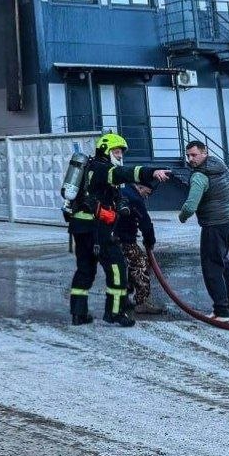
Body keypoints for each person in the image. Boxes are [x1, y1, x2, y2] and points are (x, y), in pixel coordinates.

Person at [67, 133, 172, 327]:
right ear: (105, 150)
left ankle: (78, 313)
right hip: (98, 230)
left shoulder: (89, 167)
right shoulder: (103, 169)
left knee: (84, 270)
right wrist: (152, 172)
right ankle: (115, 312)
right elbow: (126, 173)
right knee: (117, 270)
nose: (119, 155)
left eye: (121, 152)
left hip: (80, 227)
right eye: (116, 151)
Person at [177, 138, 229, 322]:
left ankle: (221, 312)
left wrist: (182, 217)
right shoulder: (220, 167)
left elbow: (190, 206)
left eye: (194, 155)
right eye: (188, 155)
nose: (190, 159)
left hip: (214, 225)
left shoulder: (199, 176)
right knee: (223, 263)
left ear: (204, 153)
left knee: (212, 267)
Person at [117, 182, 164, 315]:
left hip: (113, 236)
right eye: (147, 193)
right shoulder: (135, 198)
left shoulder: (124, 189)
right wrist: (150, 242)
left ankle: (124, 297)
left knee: (126, 266)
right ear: (140, 186)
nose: (146, 197)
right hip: (123, 238)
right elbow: (146, 223)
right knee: (140, 264)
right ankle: (141, 302)